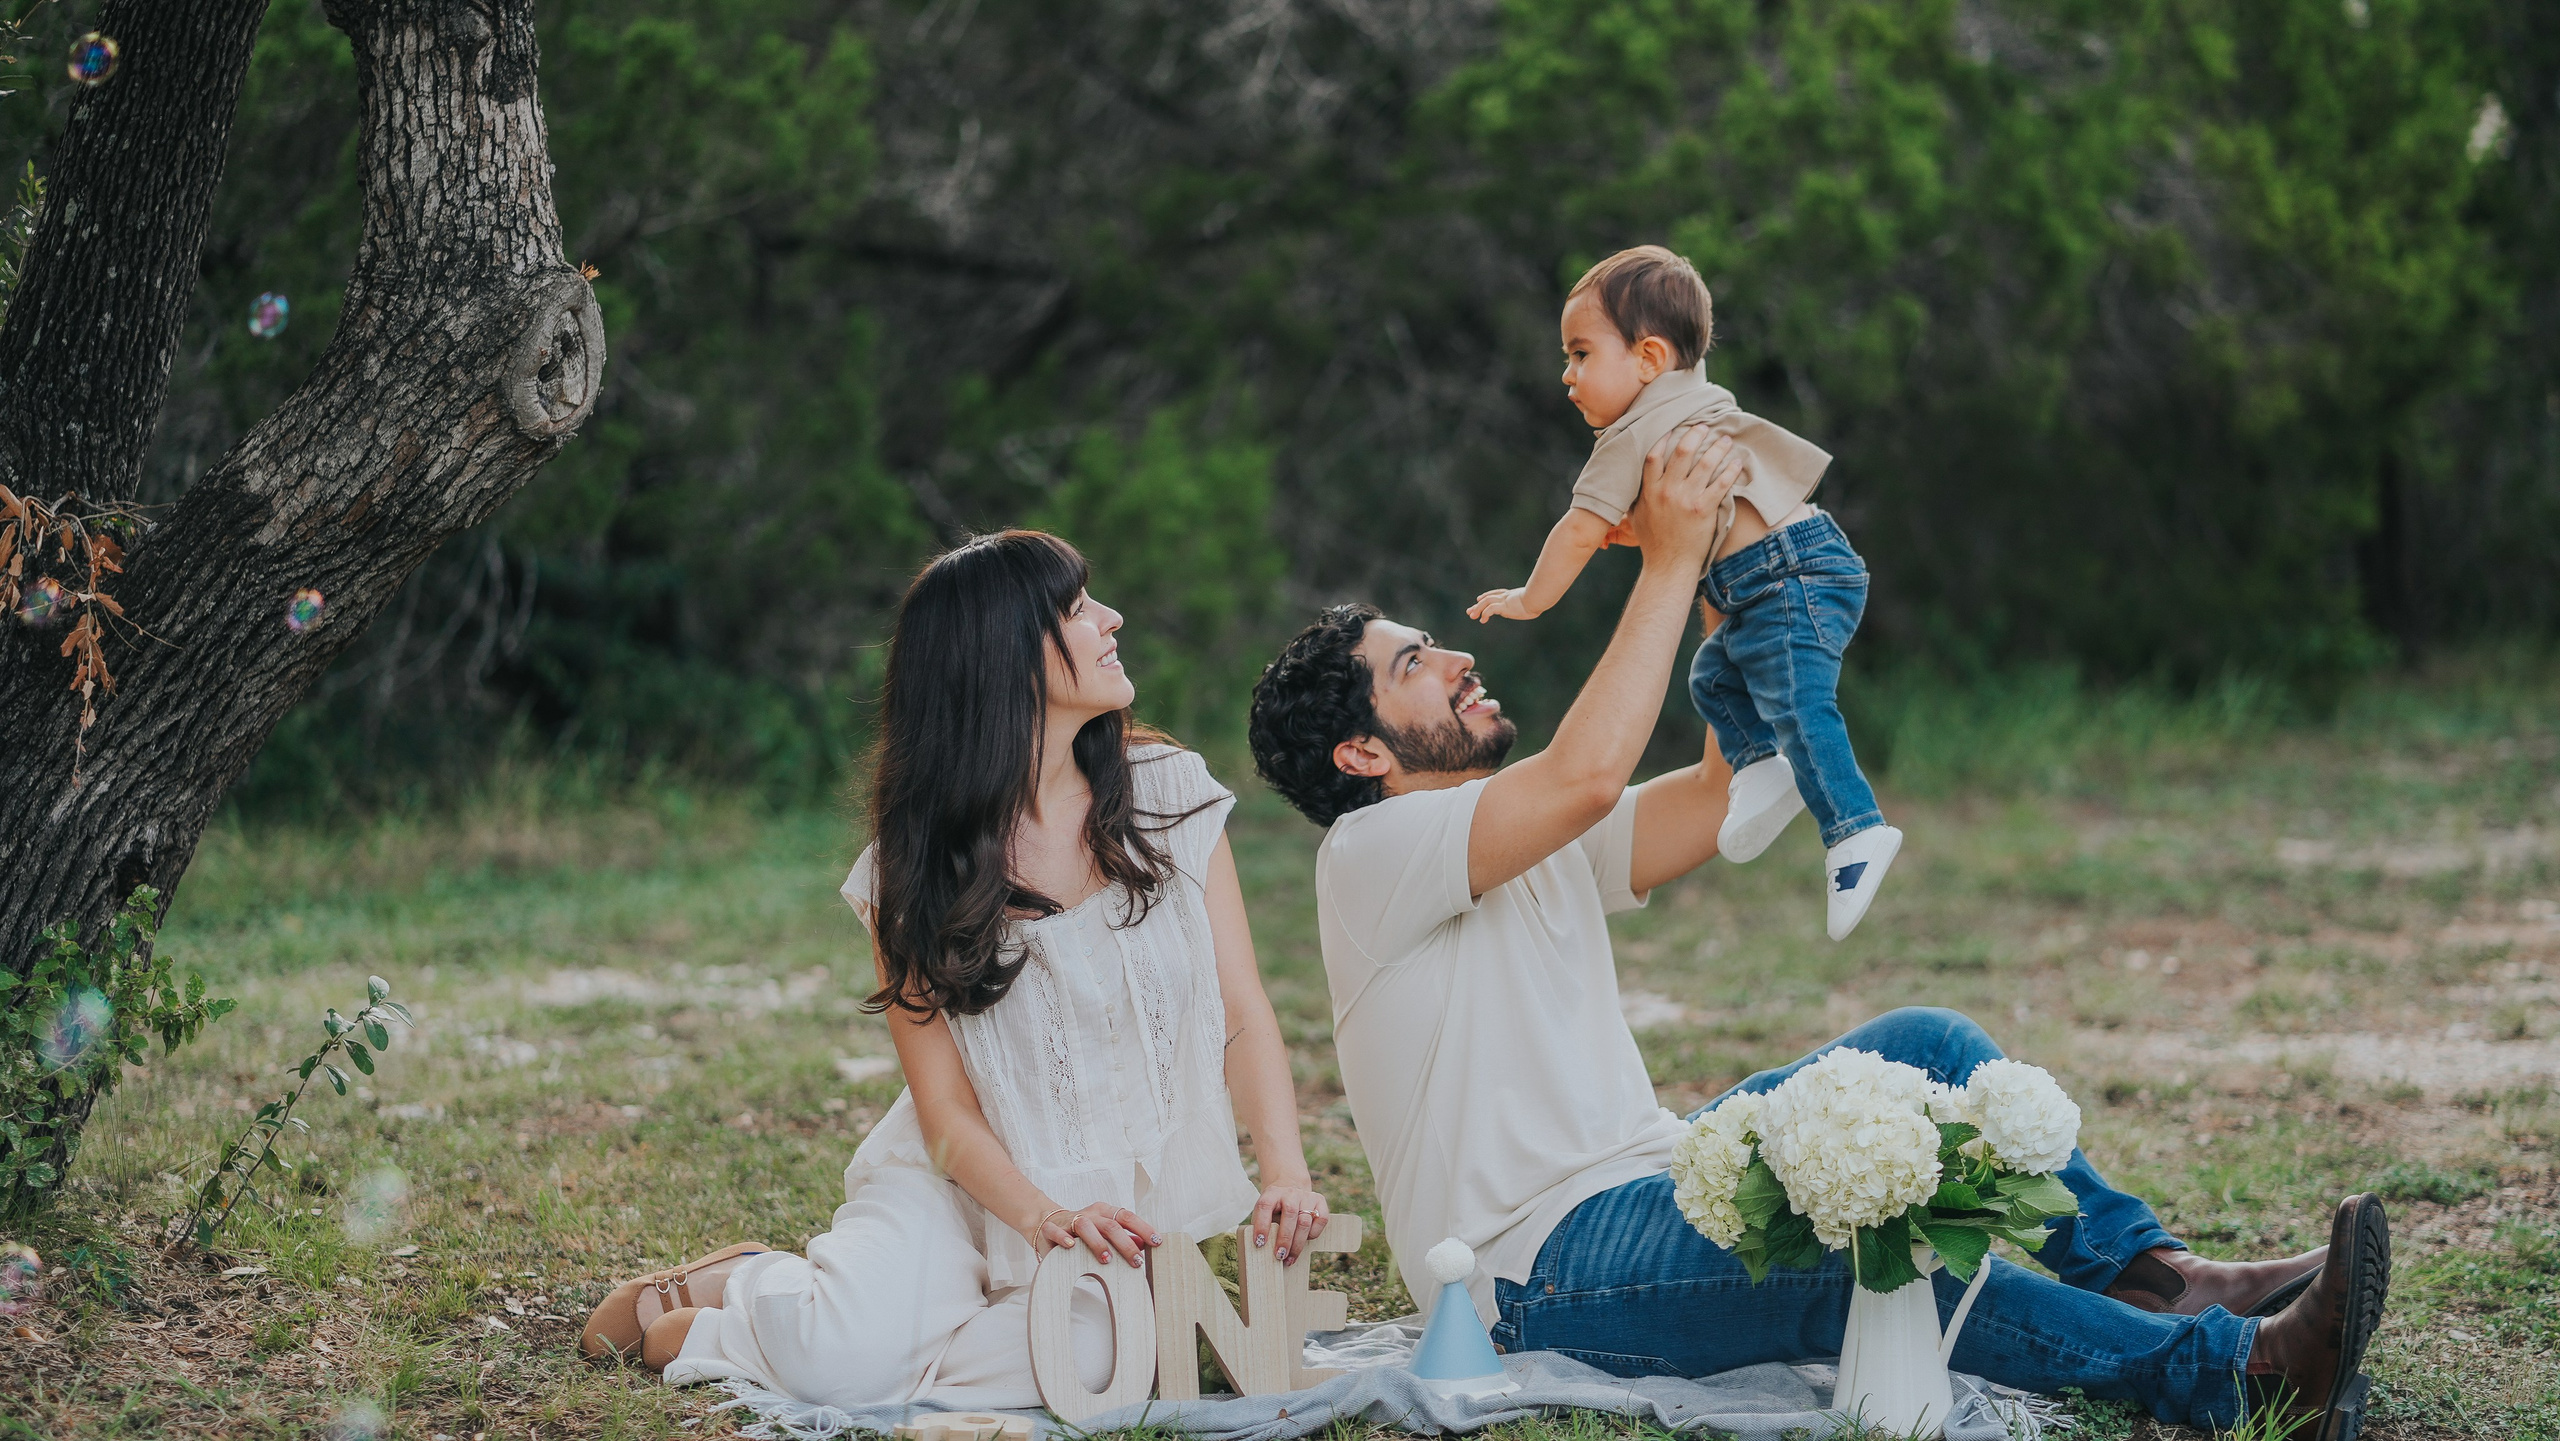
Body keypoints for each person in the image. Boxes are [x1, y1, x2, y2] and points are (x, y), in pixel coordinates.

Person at [1248, 427, 2390, 1441]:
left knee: (1927, 1041)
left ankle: (2166, 1280)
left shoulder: (1513, 830)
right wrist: (1661, 558)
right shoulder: (1370, 856)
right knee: (1854, 1247)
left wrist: (1739, 583)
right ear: (1362, 754)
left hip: (1651, 1177)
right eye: (1414, 663)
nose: (1456, 657)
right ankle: (2235, 1376)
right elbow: (1590, 774)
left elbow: (1708, 791)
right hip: (1532, 1272)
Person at [580, 530, 1331, 1409]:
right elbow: (943, 1112)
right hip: (955, 1188)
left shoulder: (1169, 793)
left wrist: (1285, 1169)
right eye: (1079, 607)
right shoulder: (914, 866)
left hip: (1109, 1219)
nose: (1112, 618)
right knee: (844, 1368)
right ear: (1003, 655)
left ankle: (855, 1339)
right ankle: (744, 1296)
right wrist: (1040, 1215)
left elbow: (1239, 1012)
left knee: (1100, 1371)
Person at [1467, 245, 1897, 940]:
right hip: (1782, 569)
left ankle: (1855, 834)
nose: (1567, 377)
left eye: (1580, 354)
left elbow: (1578, 530)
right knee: (1714, 676)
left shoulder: (1629, 433)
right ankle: (1761, 770)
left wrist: (1529, 597)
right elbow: (1705, 513)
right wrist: (1642, 531)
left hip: (1789, 575)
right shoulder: (1690, 401)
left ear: (1648, 358)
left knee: (1798, 698)